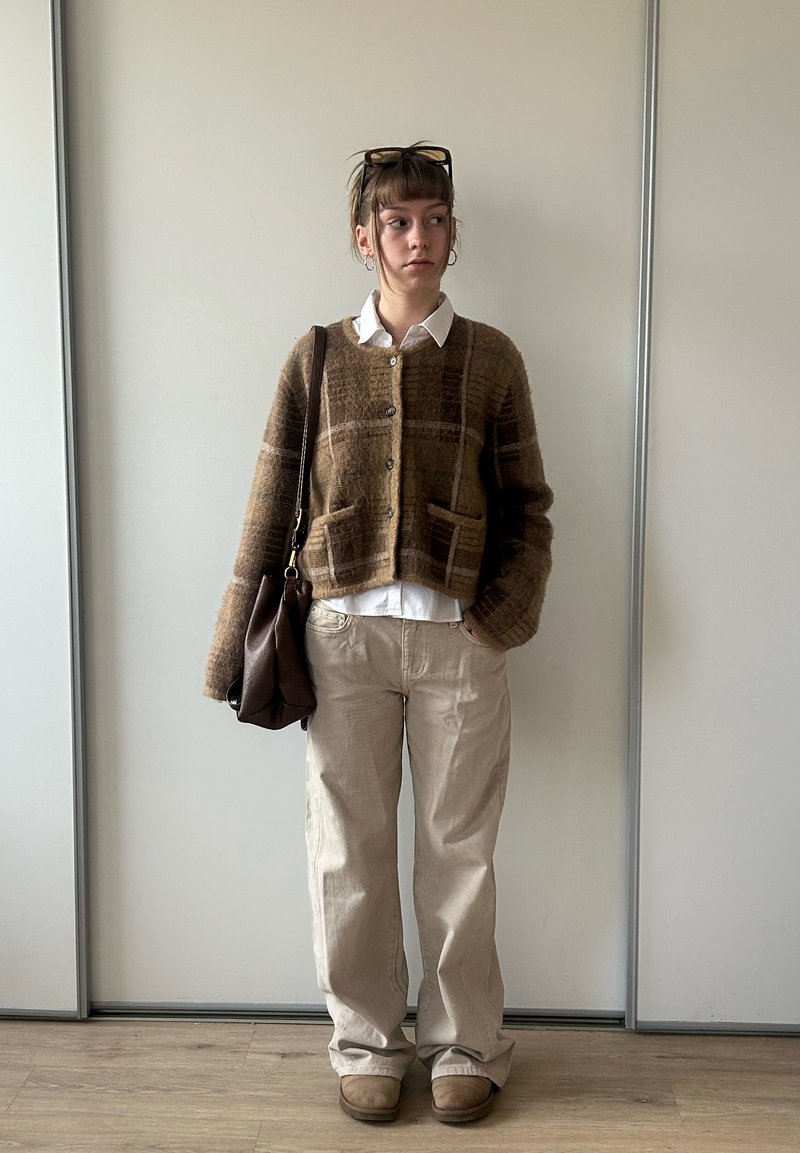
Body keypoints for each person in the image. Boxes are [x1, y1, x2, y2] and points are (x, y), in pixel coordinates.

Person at [204, 143, 553, 1124]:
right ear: (364, 239)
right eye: (397, 222)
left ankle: (465, 1045)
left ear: (451, 233)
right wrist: (233, 644)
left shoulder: (489, 359)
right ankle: (364, 1039)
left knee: (459, 854)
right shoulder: (314, 356)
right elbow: (270, 507)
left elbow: (529, 508)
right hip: (341, 640)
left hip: (459, 643)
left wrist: (498, 620)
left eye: (434, 219)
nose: (419, 238)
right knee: (346, 853)